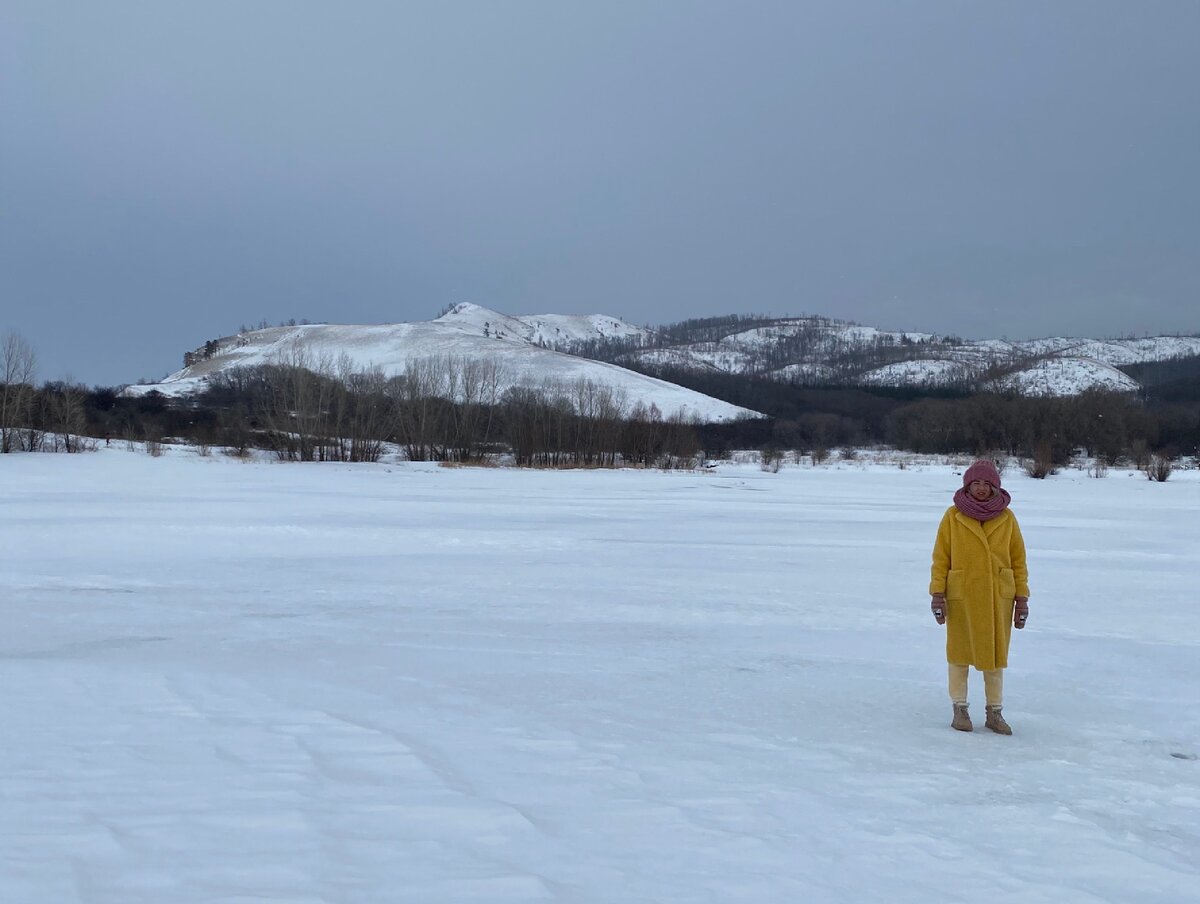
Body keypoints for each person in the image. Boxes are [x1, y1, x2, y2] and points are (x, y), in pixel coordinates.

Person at [928, 460, 1029, 734]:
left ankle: (994, 713)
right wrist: (938, 593)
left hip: (998, 597)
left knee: (995, 658)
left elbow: (1018, 561)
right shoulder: (953, 516)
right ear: (967, 486)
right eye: (976, 484)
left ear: (996, 487)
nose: (981, 489)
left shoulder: (1006, 518)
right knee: (959, 655)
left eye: (987, 484)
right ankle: (959, 709)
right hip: (963, 596)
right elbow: (941, 558)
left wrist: (1022, 597)